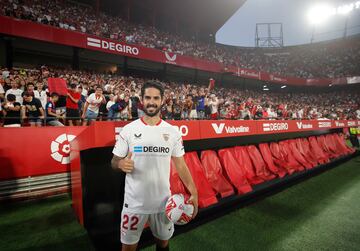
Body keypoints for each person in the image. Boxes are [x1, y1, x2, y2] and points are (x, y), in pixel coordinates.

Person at [111, 81, 198, 251]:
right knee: (128, 248)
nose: (152, 102)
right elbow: (114, 161)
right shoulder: (128, 130)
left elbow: (180, 164)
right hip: (134, 204)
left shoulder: (172, 132)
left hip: (164, 204)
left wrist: (194, 191)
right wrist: (120, 163)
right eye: (148, 97)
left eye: (156, 98)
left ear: (162, 100)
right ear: (142, 100)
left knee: (163, 243)